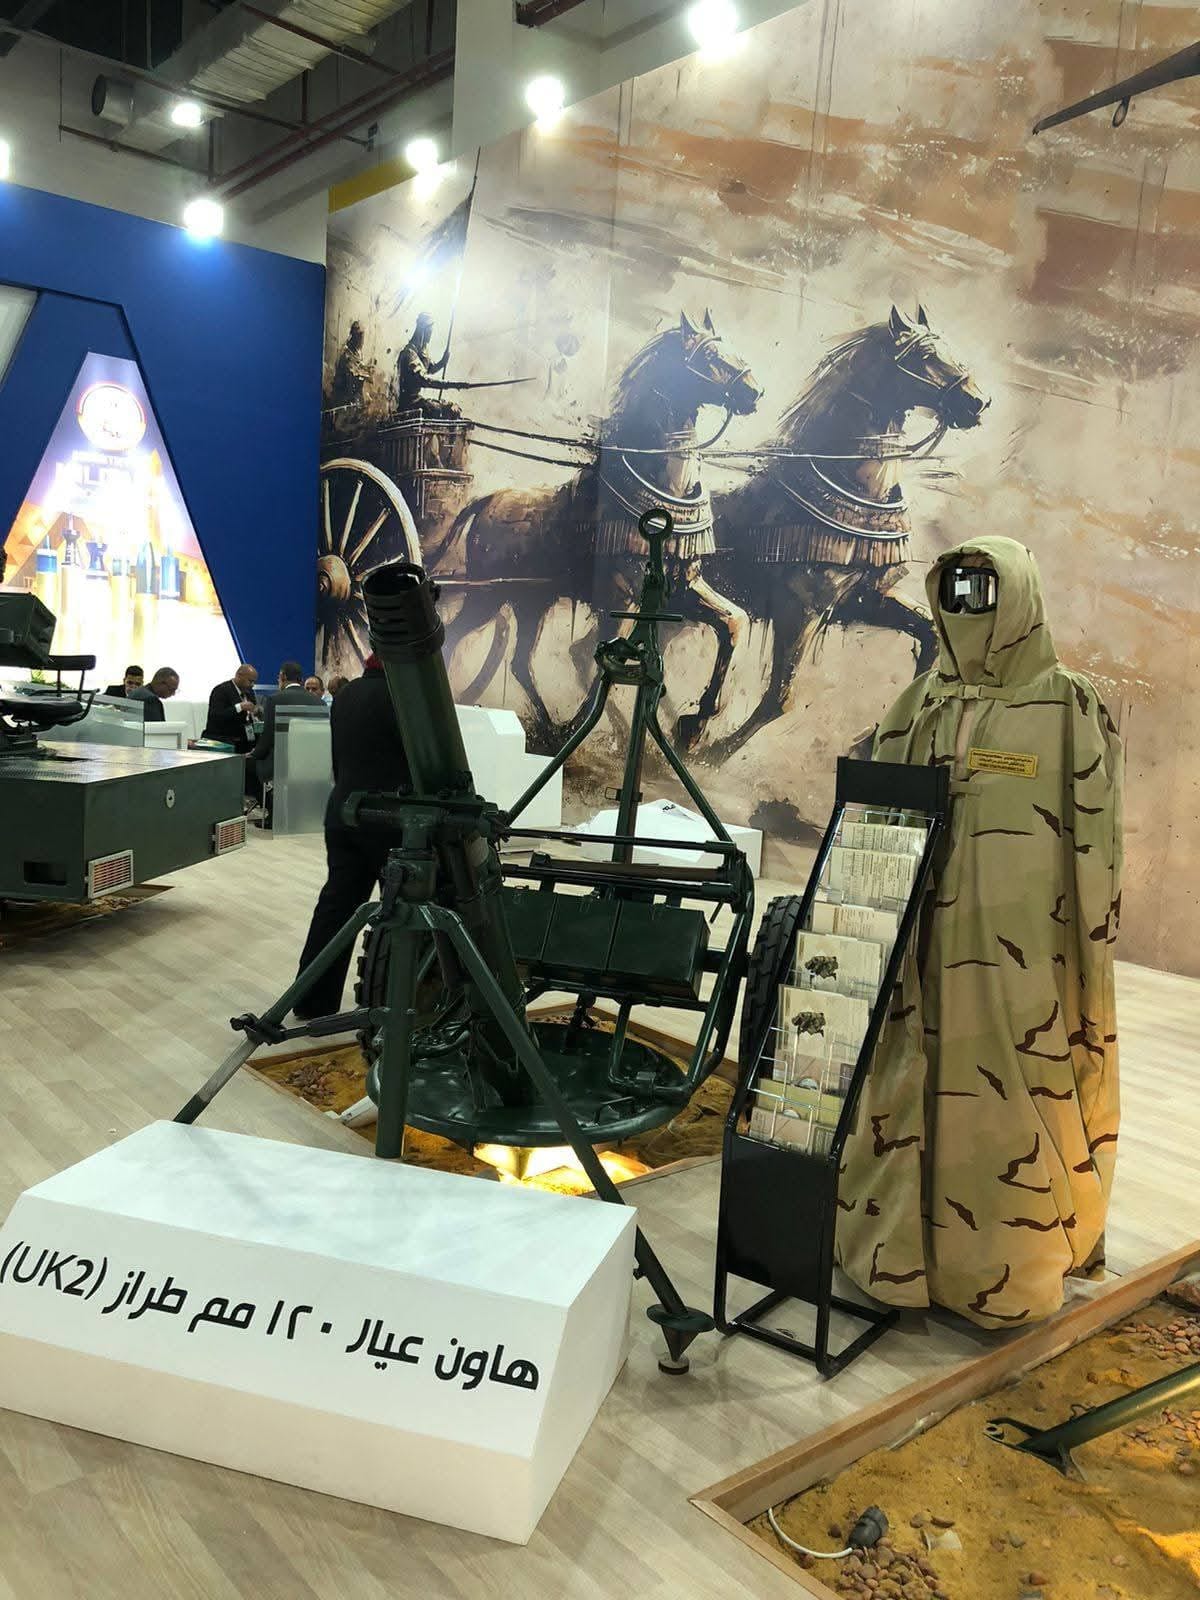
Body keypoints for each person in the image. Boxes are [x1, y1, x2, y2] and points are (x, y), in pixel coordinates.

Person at [292, 653, 410, 1020]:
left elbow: (340, 761)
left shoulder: (347, 695)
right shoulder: (405, 697)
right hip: (392, 819)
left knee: (336, 908)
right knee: (405, 913)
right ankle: (394, 1005)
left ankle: (312, 1000)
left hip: (344, 812)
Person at [251, 661, 324, 821]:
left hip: (282, 763)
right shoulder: (320, 702)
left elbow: (268, 737)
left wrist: (254, 754)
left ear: (283, 676)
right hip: (312, 763)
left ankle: (273, 815)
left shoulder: (274, 699)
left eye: (278, 677)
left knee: (247, 768)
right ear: (300, 679)